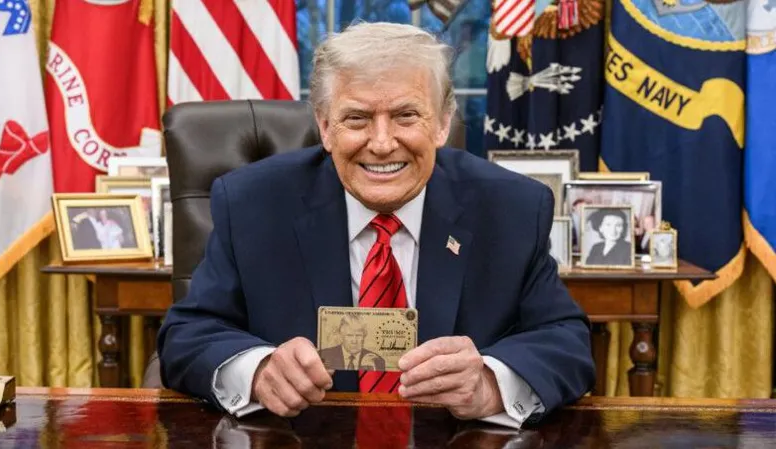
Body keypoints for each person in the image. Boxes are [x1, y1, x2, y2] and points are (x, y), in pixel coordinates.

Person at [157, 22, 594, 427]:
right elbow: (187, 336)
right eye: (357, 119)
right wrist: (258, 370)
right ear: (325, 127)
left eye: (406, 116)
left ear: (442, 124)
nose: (382, 144)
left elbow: (566, 341)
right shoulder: (253, 203)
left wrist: (489, 382)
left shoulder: (512, 207)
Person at [318, 314, 385, 371]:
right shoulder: (324, 355)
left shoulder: (377, 360)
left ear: (364, 336)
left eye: (358, 335)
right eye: (349, 335)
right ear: (341, 336)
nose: (354, 341)